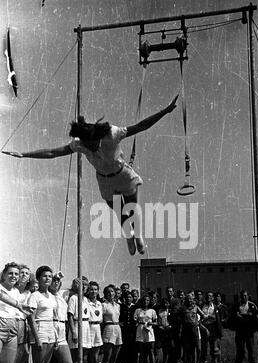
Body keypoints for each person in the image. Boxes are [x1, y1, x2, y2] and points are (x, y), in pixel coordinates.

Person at [3, 96, 179, 256]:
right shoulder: (79, 144)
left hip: (123, 174)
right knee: (119, 211)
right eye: (87, 145)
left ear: (97, 137)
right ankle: (129, 235)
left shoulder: (111, 133)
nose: (91, 147)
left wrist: (165, 111)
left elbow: (141, 126)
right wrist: (24, 154)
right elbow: (52, 152)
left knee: (132, 208)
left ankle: (138, 235)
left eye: (93, 144)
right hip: (104, 180)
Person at [0, 262, 32, 363]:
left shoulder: (17, 292)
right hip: (0, 325)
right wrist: (17, 304)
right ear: (4, 275)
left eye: (16, 274)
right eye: (10, 273)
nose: (14, 276)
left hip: (12, 328)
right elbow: (2, 295)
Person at [27, 265, 58, 363]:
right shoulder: (34, 296)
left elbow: (53, 316)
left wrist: (55, 336)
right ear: (38, 279)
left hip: (51, 330)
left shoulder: (52, 296)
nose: (47, 279)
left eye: (50, 276)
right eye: (44, 276)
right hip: (40, 330)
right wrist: (37, 338)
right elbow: (31, 318)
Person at [45, 273, 74, 363]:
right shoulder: (47, 296)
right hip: (51, 327)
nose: (56, 282)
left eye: (58, 281)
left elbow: (73, 290)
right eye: (53, 280)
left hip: (62, 328)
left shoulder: (62, 296)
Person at [67, 277, 92, 363]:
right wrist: (73, 331)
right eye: (83, 285)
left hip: (86, 326)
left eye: (86, 285)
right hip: (77, 325)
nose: (85, 287)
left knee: (84, 358)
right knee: (75, 359)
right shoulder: (73, 298)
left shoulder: (85, 299)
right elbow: (70, 315)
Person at [231, 290, 258, 363]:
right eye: (242, 296)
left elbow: (256, 317)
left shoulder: (252, 305)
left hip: (249, 331)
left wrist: (244, 316)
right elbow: (233, 316)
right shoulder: (237, 305)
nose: (243, 297)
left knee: (250, 348)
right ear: (240, 297)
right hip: (239, 330)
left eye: (245, 295)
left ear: (247, 296)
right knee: (240, 348)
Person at [101, 284, 122, 363]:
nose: (111, 293)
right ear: (105, 294)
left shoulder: (118, 305)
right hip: (109, 328)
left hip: (117, 328)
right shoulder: (104, 305)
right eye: (108, 292)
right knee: (107, 356)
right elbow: (101, 320)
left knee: (114, 356)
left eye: (112, 291)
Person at [13, 264, 31, 363]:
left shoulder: (28, 292)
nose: (24, 275)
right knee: (15, 349)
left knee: (25, 351)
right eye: (22, 272)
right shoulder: (13, 289)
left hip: (24, 322)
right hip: (14, 321)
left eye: (27, 273)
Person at [133, 293, 158, 363]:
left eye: (147, 300)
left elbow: (156, 322)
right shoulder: (138, 310)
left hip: (149, 331)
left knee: (151, 351)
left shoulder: (152, 311)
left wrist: (151, 323)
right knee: (141, 351)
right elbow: (135, 321)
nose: (146, 302)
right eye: (144, 300)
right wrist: (139, 322)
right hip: (140, 331)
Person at [179, 292, 204, 363]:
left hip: (194, 329)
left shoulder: (196, 307)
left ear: (193, 300)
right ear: (186, 300)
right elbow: (179, 317)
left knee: (197, 347)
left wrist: (198, 323)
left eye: (191, 299)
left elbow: (203, 315)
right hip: (185, 329)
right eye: (188, 299)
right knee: (186, 348)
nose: (190, 301)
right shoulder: (183, 308)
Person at [86, 281, 104, 363]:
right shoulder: (86, 302)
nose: (94, 291)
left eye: (96, 289)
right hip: (88, 328)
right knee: (84, 357)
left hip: (97, 329)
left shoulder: (99, 304)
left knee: (95, 357)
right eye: (91, 289)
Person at [200, 291, 223, 363]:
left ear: (213, 298)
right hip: (204, 327)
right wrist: (209, 317)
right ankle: (203, 362)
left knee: (214, 346)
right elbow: (201, 317)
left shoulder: (215, 307)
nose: (208, 297)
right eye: (207, 296)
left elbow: (216, 318)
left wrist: (209, 317)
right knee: (204, 346)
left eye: (210, 296)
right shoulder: (202, 306)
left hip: (213, 328)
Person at [156, 298, 173, 363]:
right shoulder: (159, 311)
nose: (165, 304)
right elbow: (157, 321)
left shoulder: (171, 311)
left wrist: (170, 326)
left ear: (169, 304)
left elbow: (174, 321)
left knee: (167, 350)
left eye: (167, 303)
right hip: (160, 332)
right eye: (164, 303)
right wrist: (160, 326)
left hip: (168, 332)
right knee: (157, 349)